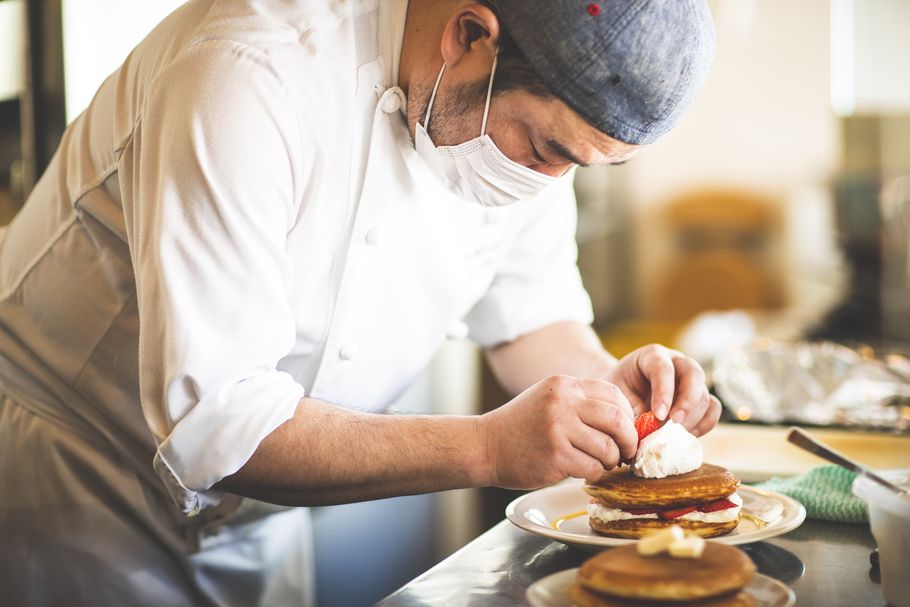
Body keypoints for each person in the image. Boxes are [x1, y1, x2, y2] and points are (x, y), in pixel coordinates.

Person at [0, 0, 718, 605]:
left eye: (586, 164)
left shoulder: (525, 127)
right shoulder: (244, 72)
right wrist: (489, 445)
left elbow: (531, 313)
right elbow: (221, 421)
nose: (551, 178)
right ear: (469, 35)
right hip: (77, 490)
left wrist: (610, 395)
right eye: (543, 147)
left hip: (266, 516)